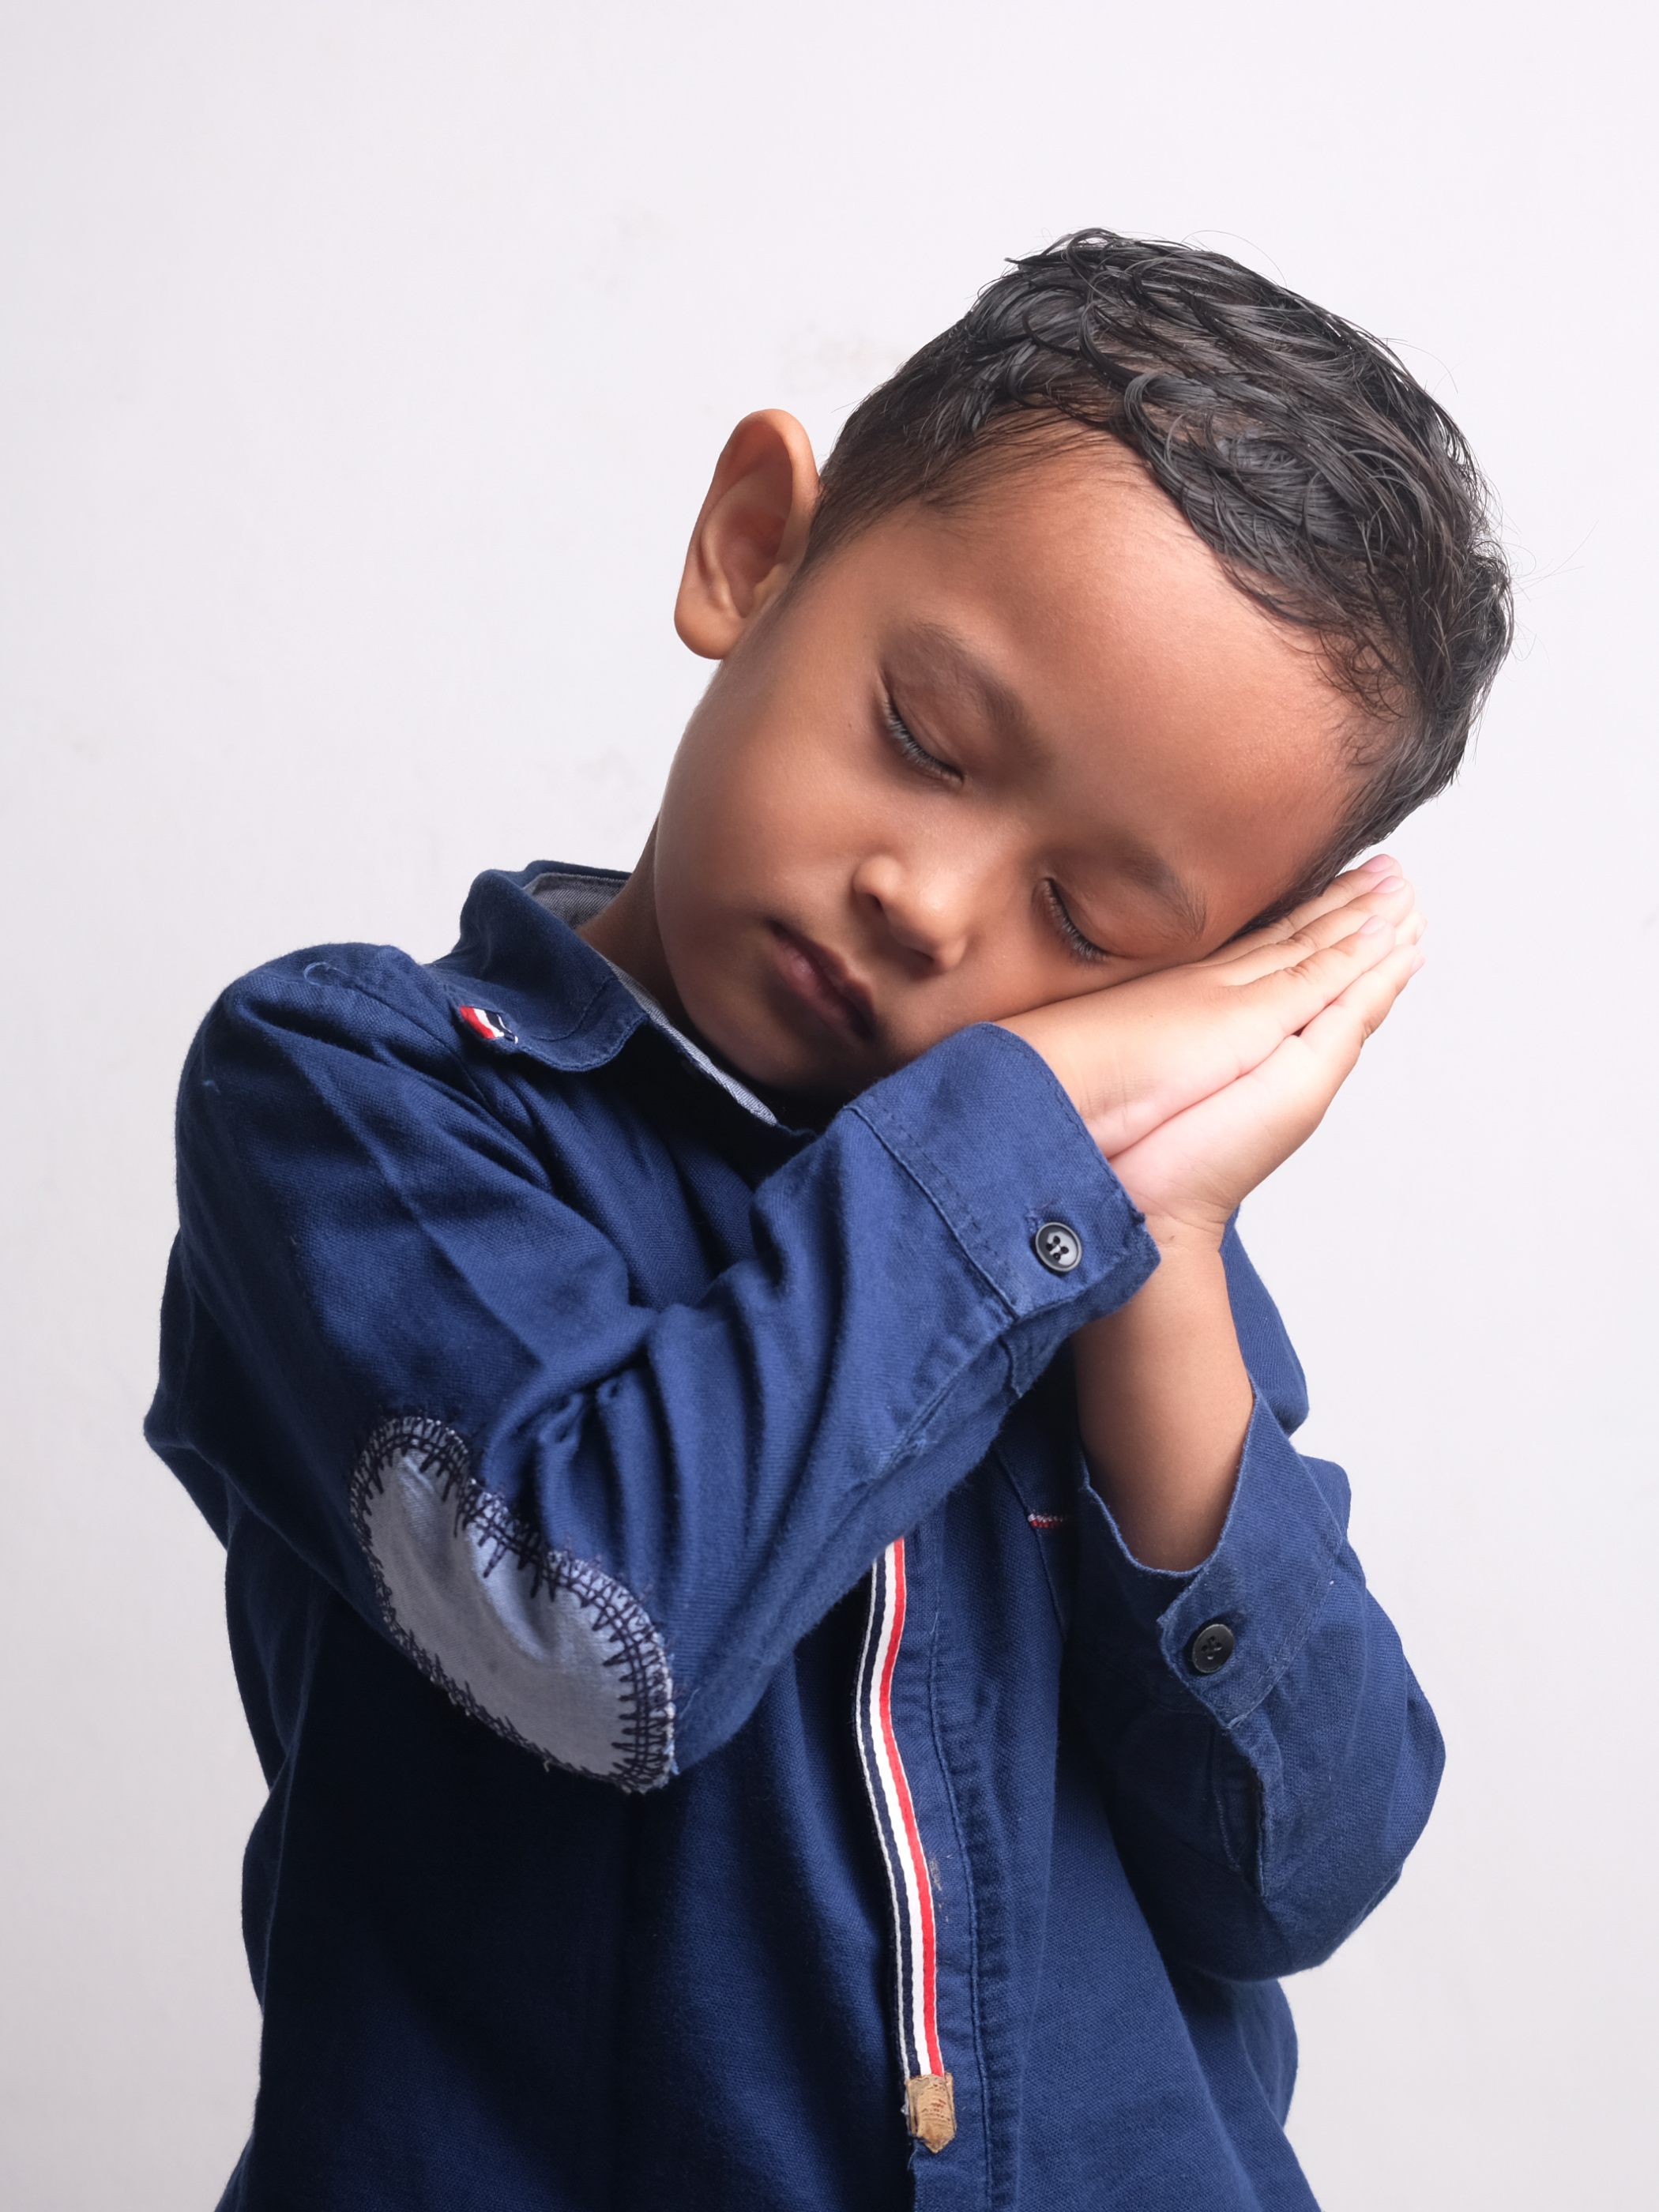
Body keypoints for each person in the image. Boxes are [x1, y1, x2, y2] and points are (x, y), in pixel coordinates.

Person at [146, 231, 1511, 2210]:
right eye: (929, 742)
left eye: (1098, 928)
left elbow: (1300, 1870)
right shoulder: (357, 1094)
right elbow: (589, 1625)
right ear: (755, 546)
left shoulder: (1110, 1257)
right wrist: (1041, 1122)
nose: (933, 901)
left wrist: (1168, 1259)